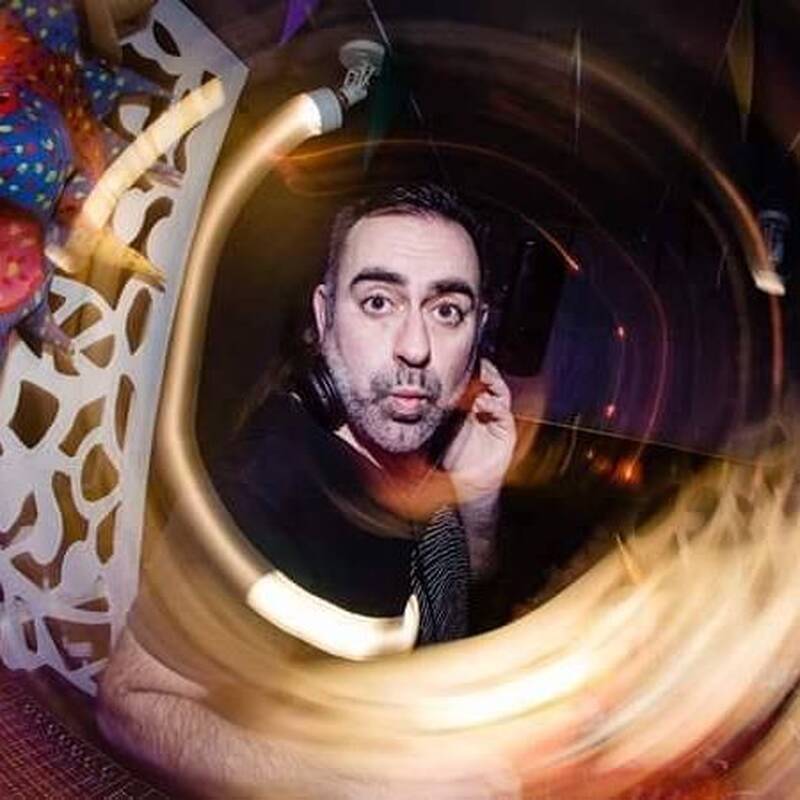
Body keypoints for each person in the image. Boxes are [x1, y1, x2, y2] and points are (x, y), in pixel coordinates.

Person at [96, 182, 517, 796]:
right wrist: (367, 789)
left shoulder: (428, 444)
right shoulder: (265, 487)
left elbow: (455, 587)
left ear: (477, 334)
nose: (415, 347)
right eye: (379, 302)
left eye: (446, 310)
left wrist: (479, 496)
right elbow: (130, 705)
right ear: (325, 317)